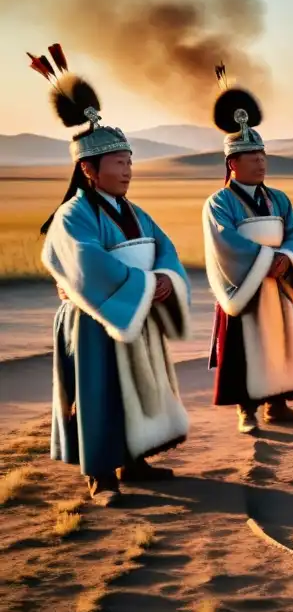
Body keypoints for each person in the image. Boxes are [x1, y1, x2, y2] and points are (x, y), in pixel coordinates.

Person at [32, 44, 191, 505]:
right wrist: (143, 285)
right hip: (95, 317)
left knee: (138, 387)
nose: (127, 171)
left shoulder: (134, 211)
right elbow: (83, 262)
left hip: (137, 309)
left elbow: (166, 248)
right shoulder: (72, 215)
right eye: (119, 163)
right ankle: (101, 474)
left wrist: (164, 278)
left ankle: (135, 458)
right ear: (89, 169)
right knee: (99, 391)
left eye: (130, 162)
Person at [203, 64, 293, 434]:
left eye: (264, 157)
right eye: (253, 158)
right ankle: (246, 410)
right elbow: (226, 242)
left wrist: (287, 258)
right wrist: (266, 260)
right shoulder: (219, 202)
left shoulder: (278, 198)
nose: (261, 163)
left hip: (277, 280)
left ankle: (278, 403)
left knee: (280, 340)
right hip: (246, 282)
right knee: (243, 345)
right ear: (233, 163)